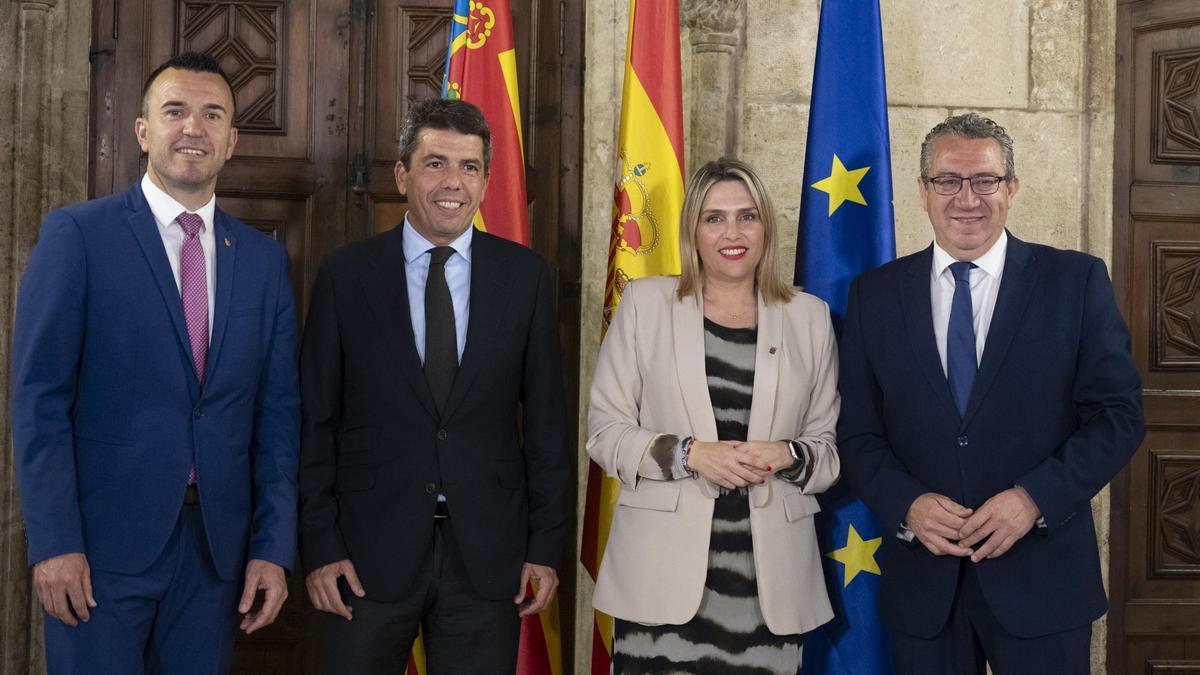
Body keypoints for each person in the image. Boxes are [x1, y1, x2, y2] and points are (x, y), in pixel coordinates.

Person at [11, 52, 299, 673]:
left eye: (212, 114)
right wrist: (55, 543)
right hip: (97, 555)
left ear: (231, 140)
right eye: (175, 111)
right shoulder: (78, 237)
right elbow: (40, 402)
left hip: (216, 557)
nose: (193, 127)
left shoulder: (263, 262)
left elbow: (277, 418)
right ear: (143, 132)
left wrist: (273, 548)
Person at [838, 112, 1145, 674]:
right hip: (925, 582)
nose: (967, 199)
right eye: (948, 181)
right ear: (923, 192)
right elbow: (856, 432)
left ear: (1012, 188)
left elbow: (1118, 417)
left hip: (1042, 580)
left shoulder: (1075, 282)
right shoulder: (874, 296)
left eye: (985, 180)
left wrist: (1033, 499)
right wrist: (907, 504)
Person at [298, 98, 569, 674]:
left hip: (488, 556)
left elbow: (547, 426)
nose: (453, 182)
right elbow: (313, 422)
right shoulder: (346, 276)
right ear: (402, 174)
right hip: (364, 554)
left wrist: (544, 548)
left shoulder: (524, 278)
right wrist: (321, 548)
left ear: (487, 180)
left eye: (469, 167)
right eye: (435, 163)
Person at [587, 158, 840, 674]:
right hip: (660, 577)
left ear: (766, 226)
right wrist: (689, 454)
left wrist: (787, 454)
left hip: (768, 585)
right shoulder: (645, 304)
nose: (732, 232)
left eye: (747, 216)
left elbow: (828, 453)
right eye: (714, 217)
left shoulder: (809, 317)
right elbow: (604, 434)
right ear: (692, 231)